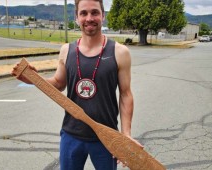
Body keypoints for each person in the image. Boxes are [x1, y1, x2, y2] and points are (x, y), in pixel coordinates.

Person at [12, 0, 142, 169]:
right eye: (84, 13)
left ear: (103, 16)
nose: (89, 18)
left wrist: (126, 135)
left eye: (95, 12)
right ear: (76, 17)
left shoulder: (120, 52)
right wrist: (34, 79)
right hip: (71, 135)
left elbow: (125, 93)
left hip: (107, 138)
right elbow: (58, 84)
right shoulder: (66, 50)